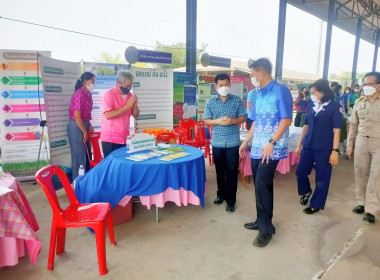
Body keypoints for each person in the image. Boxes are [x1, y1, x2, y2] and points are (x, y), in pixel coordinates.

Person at [239, 58, 292, 247]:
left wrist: (271, 142)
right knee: (260, 186)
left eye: (252, 74)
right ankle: (261, 219)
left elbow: (287, 120)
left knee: (262, 184)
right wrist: (246, 141)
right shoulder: (258, 94)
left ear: (261, 72)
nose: (252, 77)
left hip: (272, 149)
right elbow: (255, 122)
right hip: (257, 147)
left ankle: (266, 229)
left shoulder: (280, 91)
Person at [295, 79, 342, 214]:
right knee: (300, 172)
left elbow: (336, 131)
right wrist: (299, 144)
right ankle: (306, 191)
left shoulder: (335, 107)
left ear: (322, 91)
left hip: (324, 148)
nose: (312, 95)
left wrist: (335, 151)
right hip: (308, 145)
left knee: (322, 178)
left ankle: (316, 203)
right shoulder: (311, 106)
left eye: (314, 92)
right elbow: (306, 125)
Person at [203, 73, 246, 213]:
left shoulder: (236, 100)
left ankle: (231, 200)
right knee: (219, 172)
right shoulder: (210, 102)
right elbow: (206, 120)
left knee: (232, 173)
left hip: (233, 143)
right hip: (217, 143)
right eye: (221, 85)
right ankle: (220, 195)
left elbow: (243, 118)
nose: (224, 87)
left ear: (230, 85)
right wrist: (217, 121)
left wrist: (232, 121)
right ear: (215, 87)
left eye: (226, 84)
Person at [346, 72, 380, 224]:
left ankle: (371, 209)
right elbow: (353, 125)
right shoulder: (359, 102)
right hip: (361, 140)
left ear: (378, 85)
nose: (365, 87)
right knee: (360, 171)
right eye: (364, 84)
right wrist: (349, 144)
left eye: (369, 84)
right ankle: (361, 202)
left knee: (376, 175)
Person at [100, 70, 139, 158]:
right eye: (127, 86)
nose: (129, 88)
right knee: (112, 166)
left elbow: (135, 115)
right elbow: (108, 115)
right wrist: (126, 106)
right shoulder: (108, 95)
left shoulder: (130, 96)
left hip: (124, 137)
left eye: (130, 86)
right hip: (110, 138)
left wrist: (135, 106)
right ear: (119, 83)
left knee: (123, 164)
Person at [67, 72, 95, 180]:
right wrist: (84, 131)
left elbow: (85, 113)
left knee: (87, 156)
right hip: (77, 126)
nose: (93, 84)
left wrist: (89, 125)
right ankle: (77, 183)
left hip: (85, 124)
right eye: (92, 82)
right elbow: (77, 116)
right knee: (79, 156)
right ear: (85, 81)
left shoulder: (88, 94)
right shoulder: (79, 94)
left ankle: (86, 182)